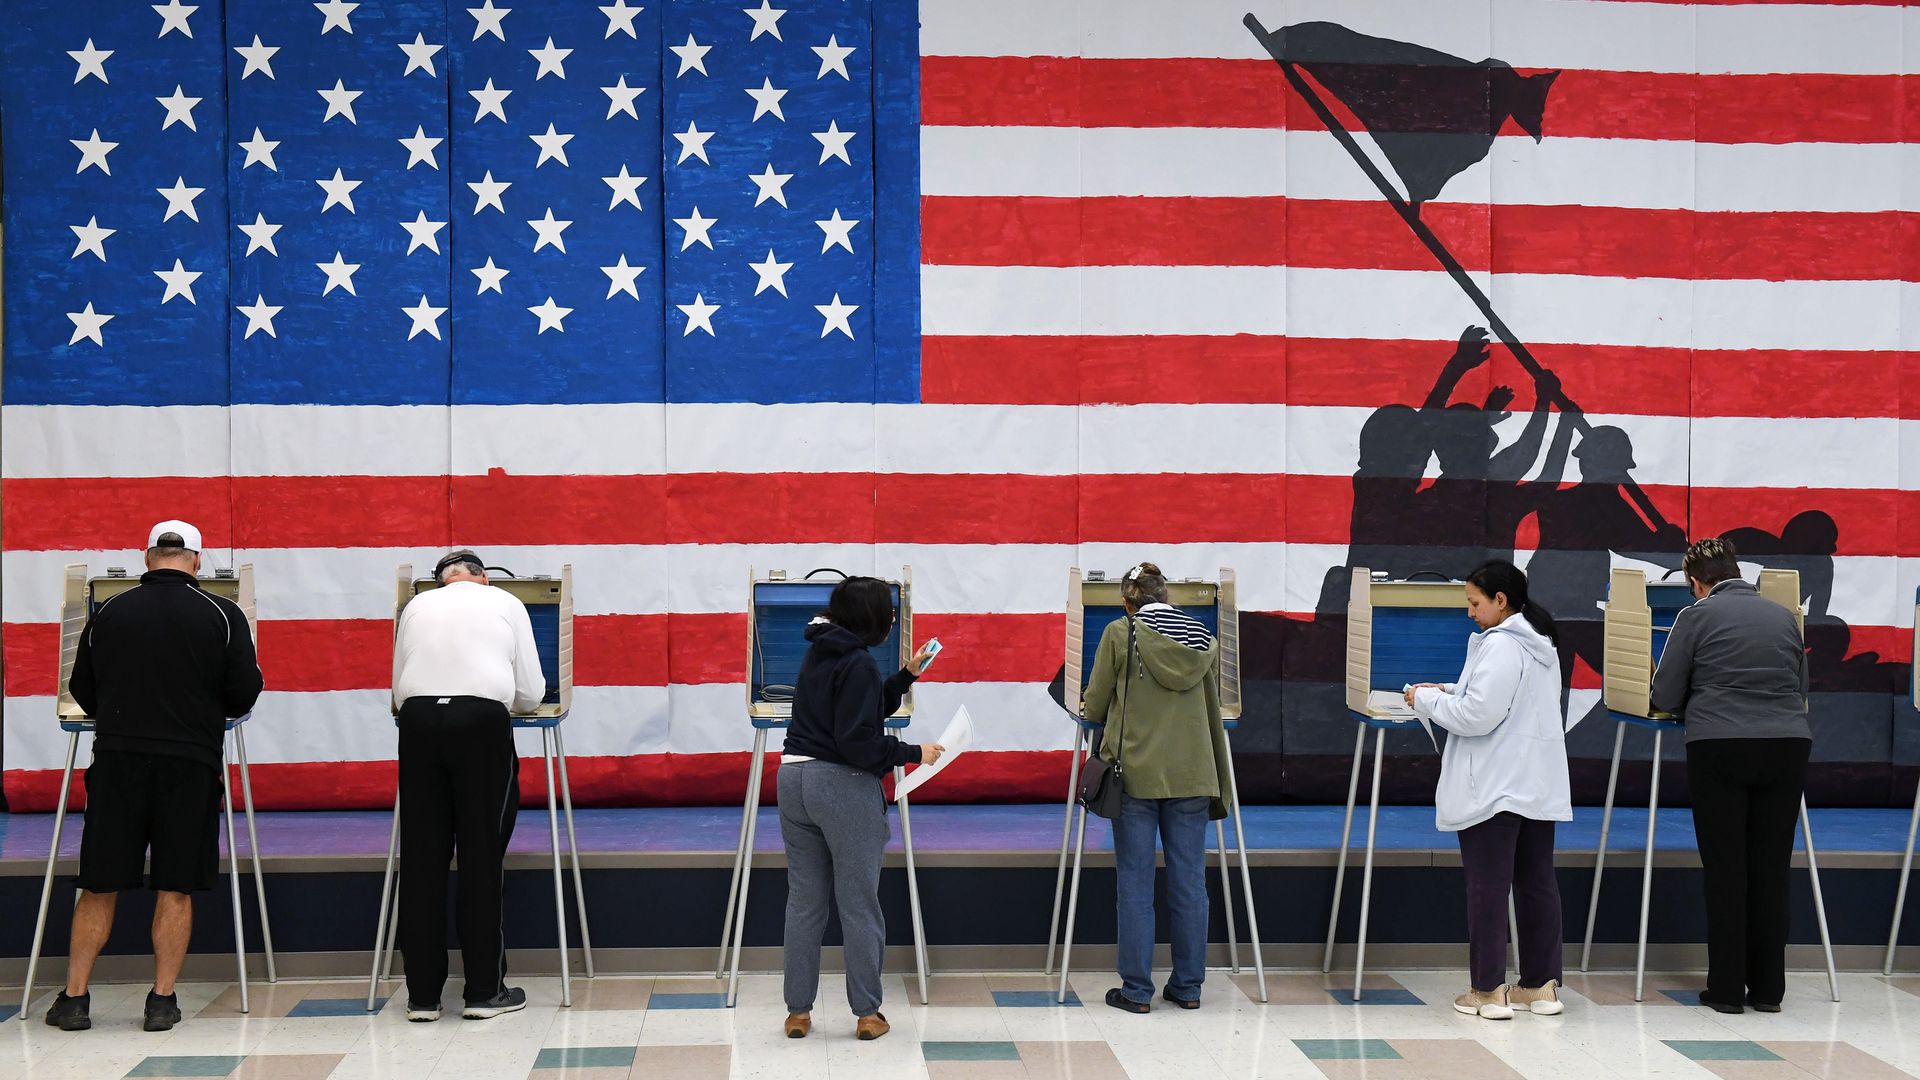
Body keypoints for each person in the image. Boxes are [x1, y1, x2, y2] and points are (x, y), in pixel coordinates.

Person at [48, 520, 264, 1032]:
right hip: (189, 764)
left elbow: (81, 686)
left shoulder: (110, 611)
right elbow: (243, 693)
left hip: (119, 762)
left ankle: (75, 999)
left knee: (99, 884)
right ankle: (161, 1001)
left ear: (148, 558)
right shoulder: (224, 612)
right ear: (196, 559)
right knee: (175, 887)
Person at [1651, 538, 1810, 1015]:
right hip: (1787, 746)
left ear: (1696, 583)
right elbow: (1799, 685)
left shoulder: (1695, 616)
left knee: (1726, 869)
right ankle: (1768, 990)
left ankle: (1725, 990)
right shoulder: (1783, 616)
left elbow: (1666, 691)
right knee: (1770, 868)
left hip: (1720, 745)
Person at [778, 577, 940, 1042]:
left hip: (793, 780)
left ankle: (797, 1013)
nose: (891, 619)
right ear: (868, 617)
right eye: (887, 612)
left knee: (804, 903)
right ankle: (868, 1013)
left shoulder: (820, 651)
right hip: (842, 787)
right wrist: (913, 752)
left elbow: (857, 710)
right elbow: (858, 742)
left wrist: (906, 675)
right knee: (858, 904)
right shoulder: (860, 663)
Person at [1408, 560, 1571, 1020]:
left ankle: (1487, 991)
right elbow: (1490, 698)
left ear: (1501, 601)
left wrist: (1424, 699)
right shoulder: (1540, 643)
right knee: (1538, 883)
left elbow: (1477, 715)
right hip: (1536, 783)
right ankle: (1541, 987)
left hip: (1496, 786)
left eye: (1474, 603)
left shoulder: (1501, 645)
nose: (1469, 613)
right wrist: (1445, 689)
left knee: (1488, 886)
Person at [391, 550, 546, 1022]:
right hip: (480, 721)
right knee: (480, 855)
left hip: (417, 721)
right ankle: (483, 990)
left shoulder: (416, 606)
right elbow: (531, 692)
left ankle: (421, 997)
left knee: (422, 859)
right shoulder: (504, 601)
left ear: (441, 581)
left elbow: (399, 689)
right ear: (481, 578)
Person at [1082, 562, 1234, 1014]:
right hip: (1192, 773)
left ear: (1129, 602)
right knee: (1189, 883)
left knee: (1135, 883)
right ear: (1167, 598)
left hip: (1136, 775)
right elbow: (1212, 708)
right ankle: (1188, 987)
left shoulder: (1119, 632)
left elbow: (1096, 701)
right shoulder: (1203, 639)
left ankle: (1136, 991)